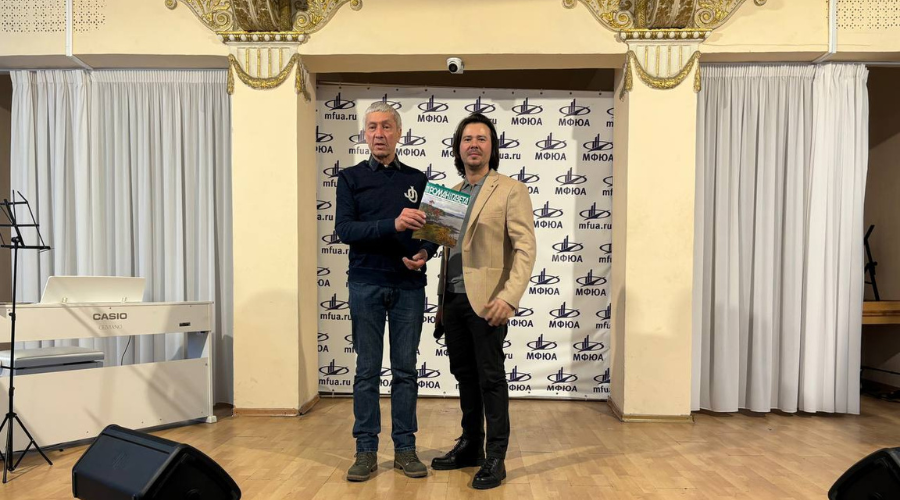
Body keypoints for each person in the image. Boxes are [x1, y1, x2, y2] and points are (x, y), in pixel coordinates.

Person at [432, 112, 536, 489]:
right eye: (467, 139)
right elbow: (440, 248)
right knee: (464, 376)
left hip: (489, 301)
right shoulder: (450, 193)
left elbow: (525, 248)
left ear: (492, 148)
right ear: (458, 148)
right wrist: (419, 261)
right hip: (453, 301)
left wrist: (509, 297)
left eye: (482, 138)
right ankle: (471, 445)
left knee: (491, 378)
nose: (474, 144)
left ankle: (496, 457)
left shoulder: (510, 190)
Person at [334, 101, 438, 481]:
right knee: (366, 372)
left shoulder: (418, 179)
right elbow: (345, 230)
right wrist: (392, 224)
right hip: (366, 284)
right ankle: (365, 451)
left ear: (399, 133)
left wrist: (425, 252)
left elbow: (435, 233)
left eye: (386, 127)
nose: (379, 134)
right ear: (365, 134)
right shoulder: (350, 178)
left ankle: (405, 449)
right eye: (373, 127)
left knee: (406, 372)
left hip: (409, 287)